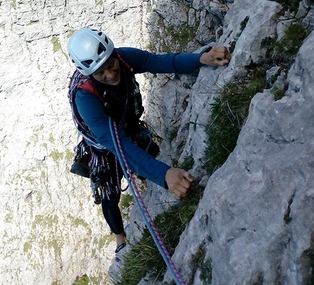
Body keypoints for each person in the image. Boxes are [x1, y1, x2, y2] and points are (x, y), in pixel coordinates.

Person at [67, 27, 231, 257]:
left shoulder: (124, 58)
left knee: (148, 154)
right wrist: (165, 175)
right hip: (103, 144)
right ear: (89, 74)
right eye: (100, 73)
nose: (111, 74)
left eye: (111, 65)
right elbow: (119, 146)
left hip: (126, 126)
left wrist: (201, 58)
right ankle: (120, 240)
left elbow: (160, 62)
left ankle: (147, 174)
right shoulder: (85, 97)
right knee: (110, 195)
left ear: (114, 54)